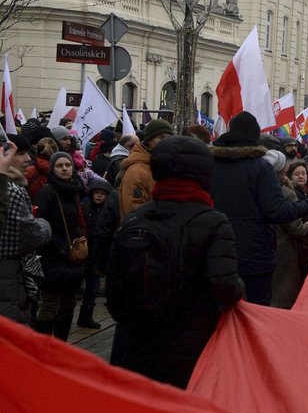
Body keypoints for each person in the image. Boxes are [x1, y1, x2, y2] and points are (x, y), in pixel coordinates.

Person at [106, 136, 244, 388]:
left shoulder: (136, 219)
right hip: (193, 345)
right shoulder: (214, 222)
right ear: (203, 174)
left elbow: (114, 288)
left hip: (139, 343)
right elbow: (225, 287)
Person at [210, 112, 308, 306]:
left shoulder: (210, 164)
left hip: (218, 251)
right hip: (254, 255)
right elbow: (277, 211)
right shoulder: (260, 168)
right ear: (255, 137)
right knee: (256, 313)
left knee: (222, 313)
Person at [33, 152, 88, 339]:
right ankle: (42, 347)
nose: (65, 169)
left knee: (69, 303)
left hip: (72, 256)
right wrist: (56, 245)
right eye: (60, 166)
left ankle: (60, 345)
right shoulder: (47, 192)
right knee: (50, 303)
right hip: (53, 255)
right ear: (52, 169)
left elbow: (77, 222)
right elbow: (39, 224)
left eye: (68, 165)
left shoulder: (74, 190)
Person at [0, 136, 50, 324]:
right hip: (9, 274)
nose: (28, 158)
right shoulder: (11, 189)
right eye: (20, 153)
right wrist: (45, 225)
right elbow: (31, 235)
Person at [266, 149, 308, 309]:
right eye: (297, 174)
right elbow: (296, 228)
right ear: (285, 172)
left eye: (304, 173)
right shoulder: (287, 193)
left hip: (263, 247)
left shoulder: (254, 188)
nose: (301, 176)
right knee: (283, 294)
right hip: (283, 250)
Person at [119, 119, 173, 217]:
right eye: (161, 137)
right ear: (149, 140)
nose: (165, 142)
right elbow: (133, 210)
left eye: (169, 138)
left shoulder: (165, 165)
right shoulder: (137, 171)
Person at [79, 178, 112, 329]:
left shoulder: (107, 211)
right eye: (97, 193)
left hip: (96, 255)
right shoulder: (85, 207)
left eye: (102, 194)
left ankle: (86, 316)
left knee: (92, 288)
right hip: (84, 252)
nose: (99, 196)